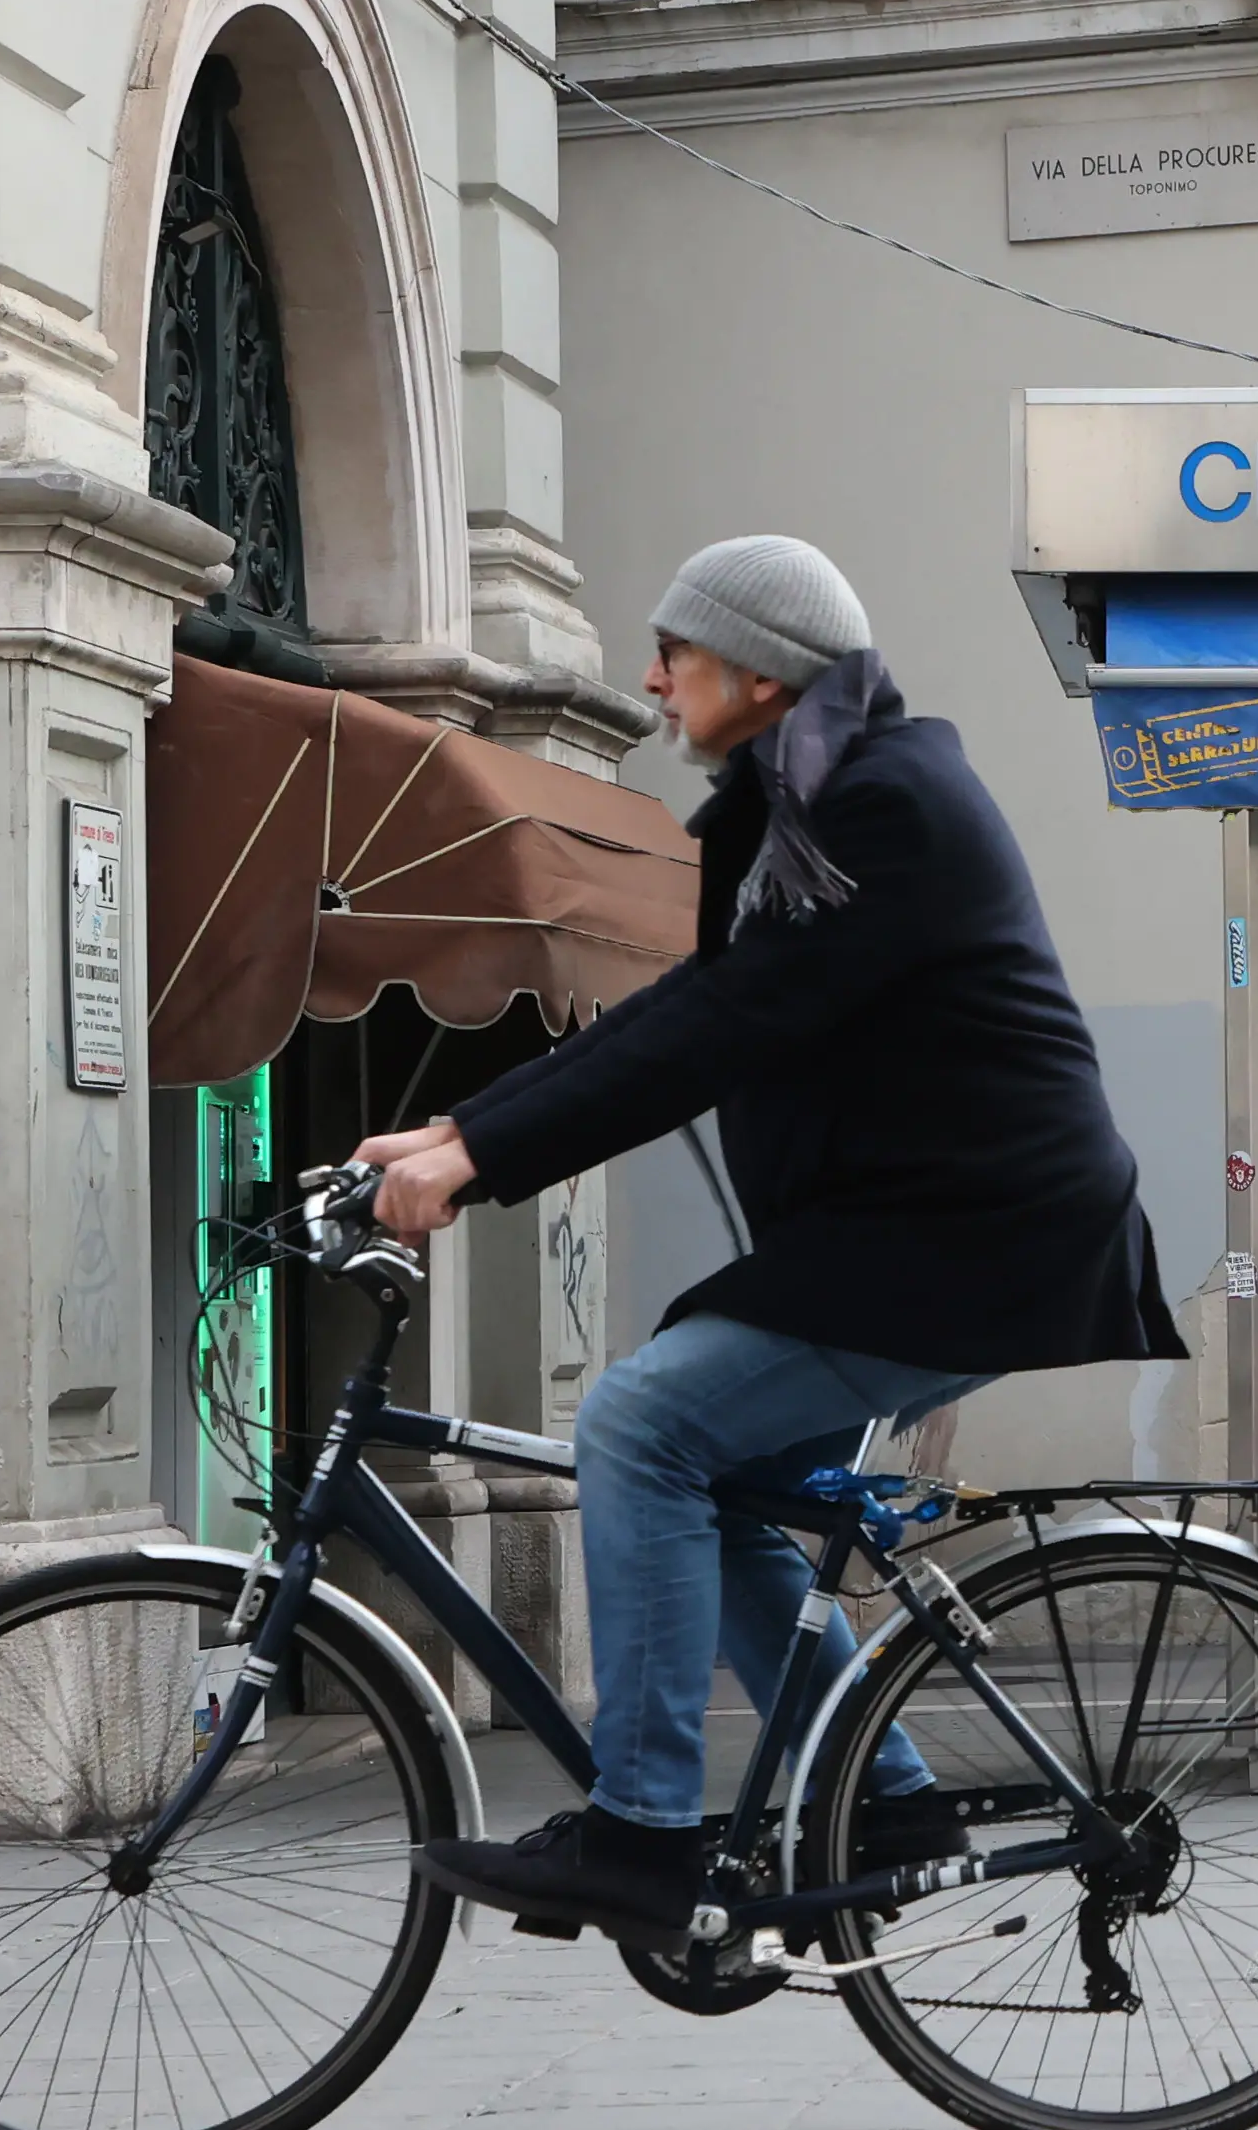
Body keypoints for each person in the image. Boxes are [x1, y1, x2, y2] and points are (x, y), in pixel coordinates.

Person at [357, 533, 1185, 1950]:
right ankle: (893, 1798)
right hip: (917, 1233)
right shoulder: (813, 797)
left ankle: (644, 1832)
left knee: (639, 1423)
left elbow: (722, 1027)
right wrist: (459, 1132)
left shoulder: (885, 802)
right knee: (717, 1472)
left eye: (671, 650)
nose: (648, 676)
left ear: (756, 666)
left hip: (973, 1238)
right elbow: (698, 1010)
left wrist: (478, 1152)